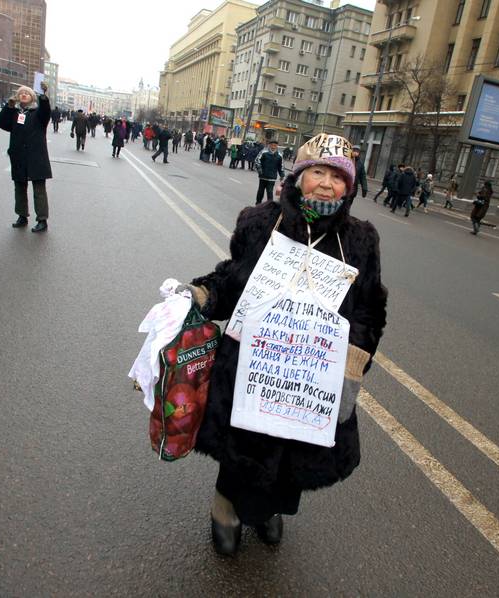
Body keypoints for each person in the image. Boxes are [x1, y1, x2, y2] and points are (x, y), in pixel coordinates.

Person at [178, 133, 388, 556]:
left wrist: (352, 366)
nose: (327, 183)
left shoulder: (361, 240)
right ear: (299, 176)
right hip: (253, 365)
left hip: (313, 375)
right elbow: (233, 280)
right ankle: (226, 508)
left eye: (337, 176)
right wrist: (203, 295)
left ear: (349, 187)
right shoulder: (260, 223)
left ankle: (269, 509)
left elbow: (368, 309)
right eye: (318, 172)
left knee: (293, 450)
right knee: (244, 444)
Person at [0, 82, 52, 233]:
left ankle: (42, 219)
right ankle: (22, 216)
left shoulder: (38, 113)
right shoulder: (15, 114)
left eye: (27, 93)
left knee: (39, 189)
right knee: (20, 187)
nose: (24, 95)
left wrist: (44, 97)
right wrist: (8, 107)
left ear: (32, 97)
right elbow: (2, 123)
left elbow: (46, 112)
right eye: (21, 93)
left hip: (36, 155)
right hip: (19, 155)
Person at [255, 139, 284, 205]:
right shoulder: (264, 152)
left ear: (277, 146)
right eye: (272, 145)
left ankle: (270, 206)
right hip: (263, 175)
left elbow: (281, 165)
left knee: (270, 191)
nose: (273, 147)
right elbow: (257, 160)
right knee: (261, 191)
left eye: (275, 145)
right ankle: (258, 203)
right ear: (269, 145)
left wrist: (282, 174)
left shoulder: (279, 155)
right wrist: (260, 170)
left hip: (272, 177)